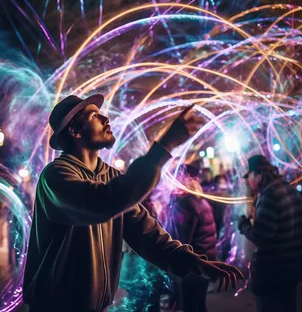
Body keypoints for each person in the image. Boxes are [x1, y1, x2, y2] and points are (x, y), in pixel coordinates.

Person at [23, 94, 243, 311]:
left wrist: (194, 262)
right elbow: (103, 202)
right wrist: (165, 145)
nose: (106, 119)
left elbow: (146, 234)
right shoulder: (56, 176)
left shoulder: (110, 176)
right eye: (94, 117)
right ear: (75, 131)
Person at [238, 155, 302, 312]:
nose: (248, 181)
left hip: (272, 273)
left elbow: (261, 237)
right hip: (291, 268)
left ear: (258, 176)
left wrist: (244, 225)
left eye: (250, 176)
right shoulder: (289, 189)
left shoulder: (269, 197)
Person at [168, 165, 217, 312]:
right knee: (199, 305)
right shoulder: (200, 201)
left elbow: (180, 239)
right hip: (205, 261)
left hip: (191, 265)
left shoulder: (184, 204)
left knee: (188, 306)